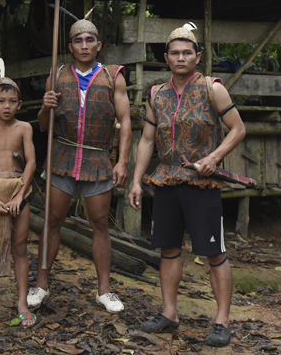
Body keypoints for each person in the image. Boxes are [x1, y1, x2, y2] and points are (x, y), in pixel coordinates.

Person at [128, 26, 246, 347]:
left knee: (213, 252)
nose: (181, 58)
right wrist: (136, 181)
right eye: (175, 53)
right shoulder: (156, 94)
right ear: (166, 58)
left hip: (202, 183)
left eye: (187, 53)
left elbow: (238, 129)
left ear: (198, 57)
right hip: (166, 179)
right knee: (168, 248)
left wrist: (215, 157)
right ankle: (169, 313)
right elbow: (147, 140)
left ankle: (222, 320)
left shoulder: (212, 89)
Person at [30, 19, 132, 313]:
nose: (84, 45)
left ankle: (104, 291)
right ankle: (41, 286)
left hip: (98, 159)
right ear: (70, 46)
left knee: (100, 223)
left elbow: (125, 122)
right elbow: (43, 125)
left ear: (99, 45)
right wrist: (44, 107)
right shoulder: (58, 74)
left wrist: (122, 161)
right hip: (62, 156)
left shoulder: (114, 76)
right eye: (78, 41)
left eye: (90, 40)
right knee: (52, 220)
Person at [0, 76, 37, 328]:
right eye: (1, 101)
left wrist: (20, 194)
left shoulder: (24, 128)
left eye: (12, 101)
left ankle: (22, 303)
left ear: (20, 104)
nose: (7, 106)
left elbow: (31, 162)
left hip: (19, 191)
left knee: (20, 247)